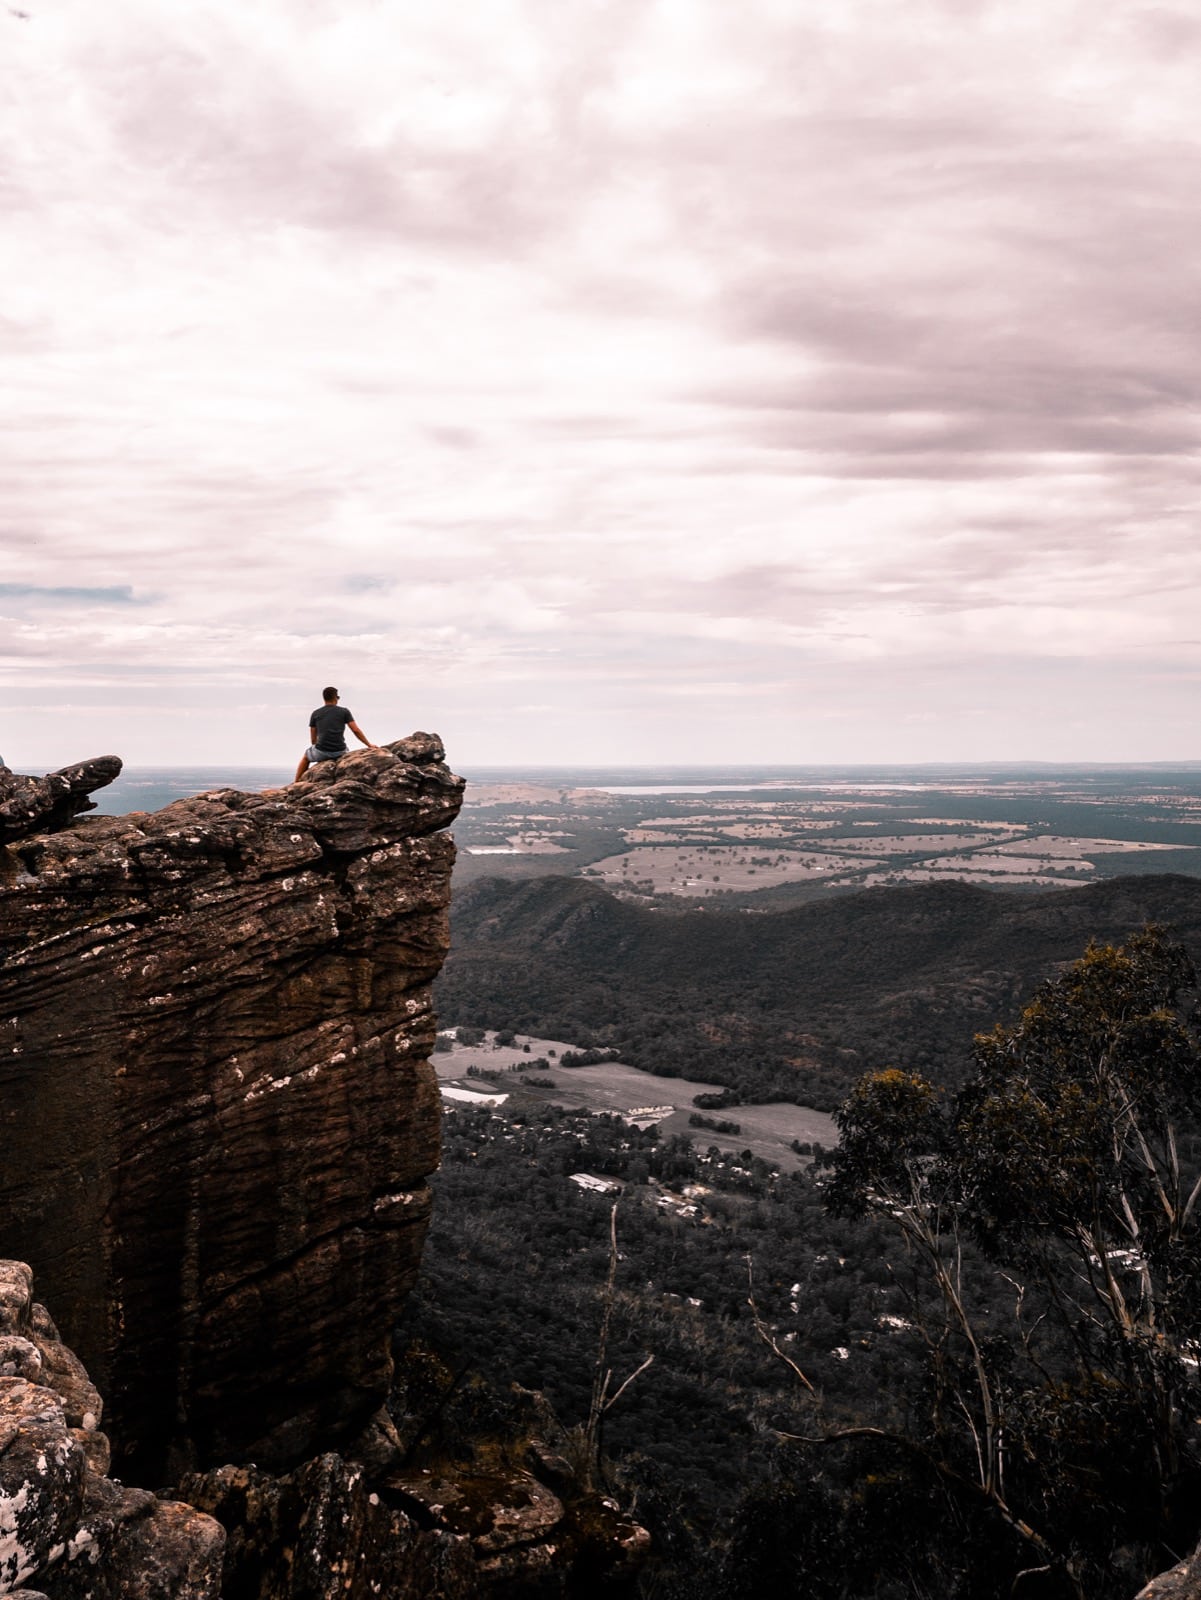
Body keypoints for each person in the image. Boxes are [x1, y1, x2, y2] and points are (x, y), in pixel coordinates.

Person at [294, 687, 378, 782]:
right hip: (340, 751)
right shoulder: (344, 711)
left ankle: (296, 782)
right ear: (335, 698)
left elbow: (313, 738)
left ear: (324, 698)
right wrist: (368, 744)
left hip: (321, 751)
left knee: (306, 757)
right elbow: (356, 730)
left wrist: (319, 750)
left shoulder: (315, 713)